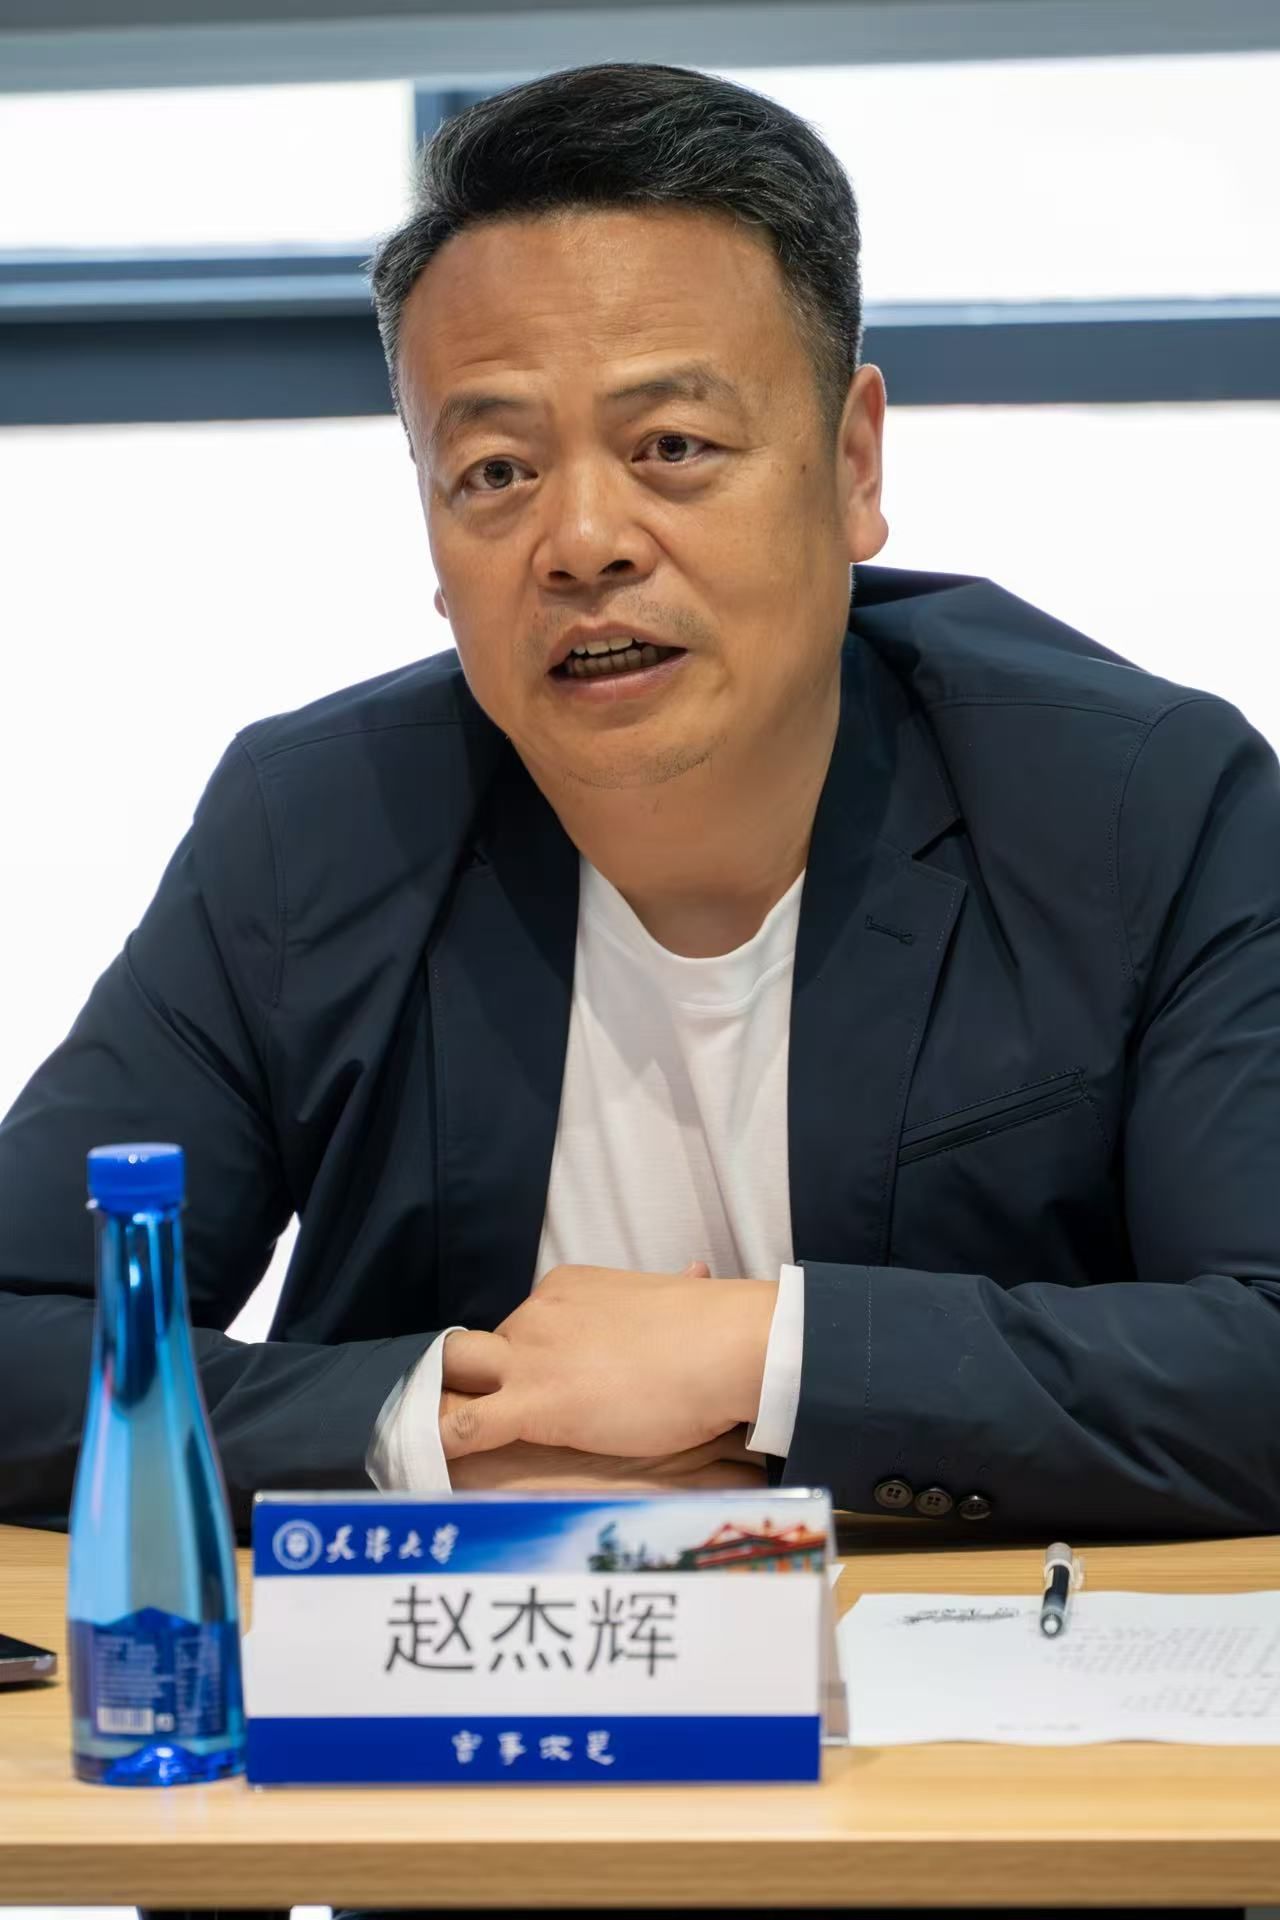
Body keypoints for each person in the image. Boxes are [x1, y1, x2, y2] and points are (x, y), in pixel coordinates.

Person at [3, 58, 1280, 1541]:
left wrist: (761, 1358)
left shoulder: (1140, 806)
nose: (583, 540)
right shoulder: (313, 830)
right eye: (495, 470)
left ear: (854, 464)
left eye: (671, 447)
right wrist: (445, 1433)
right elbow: (23, 1328)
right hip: (469, 1668)